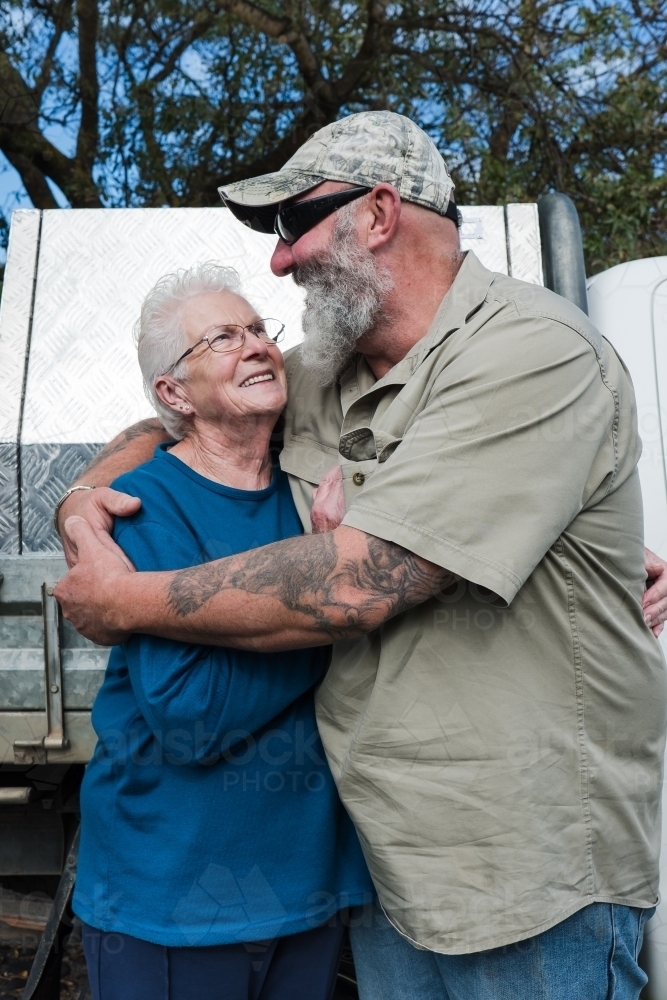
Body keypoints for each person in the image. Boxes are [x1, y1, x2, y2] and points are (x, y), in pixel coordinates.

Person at [56, 112, 667, 1000]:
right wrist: (83, 500)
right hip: (386, 875)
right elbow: (173, 416)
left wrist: (124, 602)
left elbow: (355, 582)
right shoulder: (326, 370)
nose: (279, 260)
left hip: (524, 884)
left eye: (291, 226)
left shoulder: (531, 351)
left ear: (377, 214)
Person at [71, 262, 373, 1000]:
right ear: (174, 393)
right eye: (222, 338)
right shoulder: (144, 503)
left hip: (306, 886)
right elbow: (193, 717)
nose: (256, 346)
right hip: (170, 895)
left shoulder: (310, 494)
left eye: (258, 330)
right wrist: (335, 607)